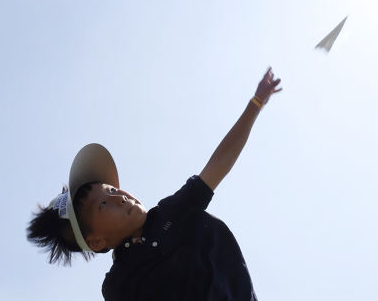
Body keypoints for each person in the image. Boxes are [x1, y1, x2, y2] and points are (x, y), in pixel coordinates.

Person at [26, 67, 282, 300]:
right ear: (95, 242)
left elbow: (217, 165)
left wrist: (256, 104)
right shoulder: (119, 285)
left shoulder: (173, 212)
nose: (119, 196)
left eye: (112, 189)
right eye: (103, 204)